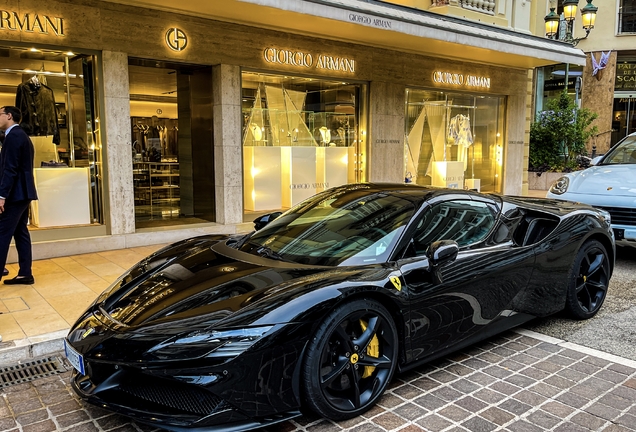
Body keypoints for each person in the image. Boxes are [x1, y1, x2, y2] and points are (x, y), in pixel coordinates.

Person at [0, 106, 38, 286]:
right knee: (20, 232)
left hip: (15, 194)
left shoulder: (14, 136)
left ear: (8, 116)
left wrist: (1, 195)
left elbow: (10, 169)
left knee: (2, 232)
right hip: (23, 193)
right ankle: (25, 274)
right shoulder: (20, 135)